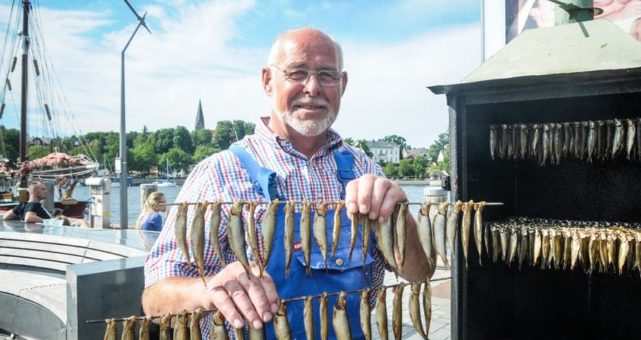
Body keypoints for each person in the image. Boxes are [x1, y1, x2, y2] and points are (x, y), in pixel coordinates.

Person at [142, 28, 433, 338]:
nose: (313, 87)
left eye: (327, 75)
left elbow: (418, 273)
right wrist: (204, 292)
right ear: (268, 81)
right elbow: (154, 299)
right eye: (297, 73)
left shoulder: (365, 168)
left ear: (343, 84)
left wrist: (401, 216)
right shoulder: (219, 172)